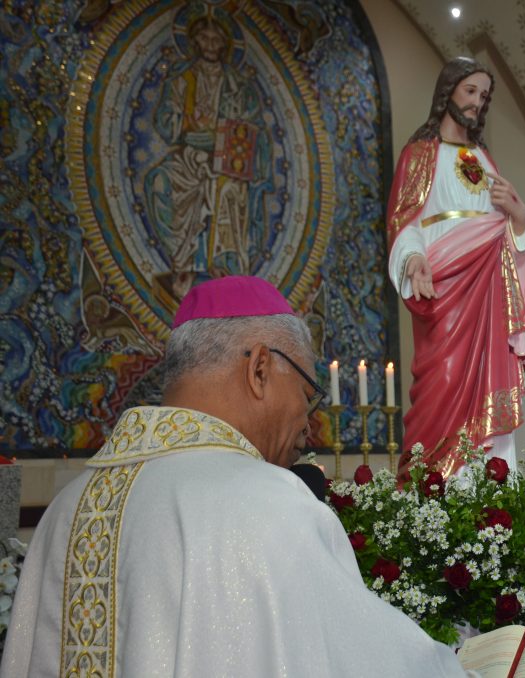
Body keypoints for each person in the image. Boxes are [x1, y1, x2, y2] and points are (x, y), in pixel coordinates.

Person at [1, 276, 469, 677]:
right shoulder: (267, 503)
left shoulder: (67, 507)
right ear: (260, 368)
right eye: (307, 393)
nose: (309, 425)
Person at [386, 56, 525, 479]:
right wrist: (413, 258)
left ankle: (489, 486)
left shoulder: (485, 159)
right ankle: (435, 482)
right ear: (448, 91)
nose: (476, 102)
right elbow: (403, 222)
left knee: (490, 379)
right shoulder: (419, 156)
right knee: (445, 379)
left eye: (483, 95)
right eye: (470, 91)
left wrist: (520, 215)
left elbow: (506, 232)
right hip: (445, 290)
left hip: (488, 291)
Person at [145, 13, 271, 297]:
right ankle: (184, 265)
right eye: (205, 38)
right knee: (160, 182)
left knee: (228, 189)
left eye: (217, 40)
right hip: (189, 156)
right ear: (194, 41)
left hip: (225, 159)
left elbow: (254, 129)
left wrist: (224, 136)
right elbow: (166, 122)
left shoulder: (238, 86)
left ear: (226, 45)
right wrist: (183, 122)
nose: (211, 45)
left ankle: (222, 267)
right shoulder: (182, 80)